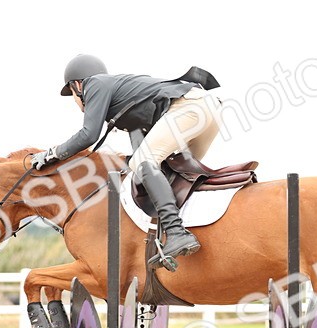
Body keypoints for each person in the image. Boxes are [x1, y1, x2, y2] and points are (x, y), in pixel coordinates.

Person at [31, 54, 223, 268]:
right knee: (172, 172)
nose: (76, 102)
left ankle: (176, 232)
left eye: (72, 96)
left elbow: (89, 135)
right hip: (209, 110)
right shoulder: (125, 101)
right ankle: (192, 232)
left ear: (77, 85)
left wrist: (52, 153)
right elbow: (139, 149)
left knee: (145, 162)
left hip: (189, 107)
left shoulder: (95, 83)